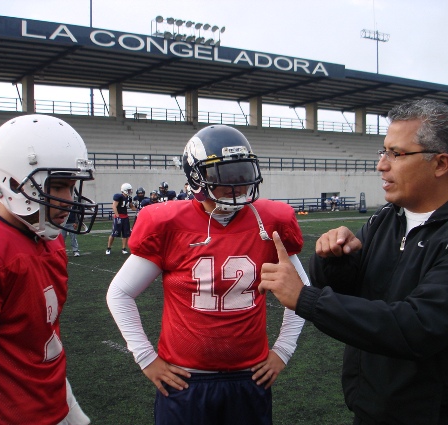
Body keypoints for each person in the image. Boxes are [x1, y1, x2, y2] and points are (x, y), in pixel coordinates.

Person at [259, 99, 448, 425]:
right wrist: (332, 257)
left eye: (396, 153)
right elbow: (351, 284)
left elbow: (415, 329)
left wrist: (305, 298)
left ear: (440, 163)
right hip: (369, 412)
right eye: (383, 151)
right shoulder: (388, 218)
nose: (381, 164)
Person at [107, 124, 309, 425]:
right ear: (197, 179)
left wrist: (283, 350)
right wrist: (146, 358)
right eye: (224, 176)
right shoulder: (168, 222)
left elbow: (302, 289)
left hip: (249, 376)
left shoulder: (271, 221)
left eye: (242, 173)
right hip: (186, 379)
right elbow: (120, 293)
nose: (237, 184)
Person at [0, 114, 98, 424]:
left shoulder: (48, 244)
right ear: (13, 182)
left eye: (71, 186)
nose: (69, 200)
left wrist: (74, 416)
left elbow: (42, 346)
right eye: (58, 186)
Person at [106, 183, 135, 255]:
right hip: (118, 217)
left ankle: (124, 248)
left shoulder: (129, 198)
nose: (130, 191)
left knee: (126, 234)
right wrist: (117, 216)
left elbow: (132, 207)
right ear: (124, 190)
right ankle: (108, 248)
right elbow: (114, 206)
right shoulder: (118, 196)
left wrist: (139, 209)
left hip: (125, 217)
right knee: (114, 233)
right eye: (128, 190)